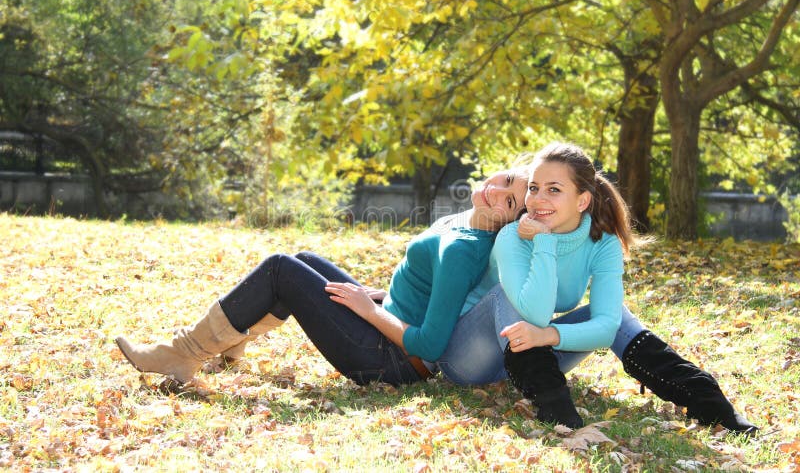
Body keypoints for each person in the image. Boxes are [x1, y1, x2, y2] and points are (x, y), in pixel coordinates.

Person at [434, 142, 758, 433]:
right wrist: (544, 243)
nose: (537, 199)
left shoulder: (602, 244)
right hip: (466, 360)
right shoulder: (513, 238)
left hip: (529, 359)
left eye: (554, 189)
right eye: (533, 188)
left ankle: (709, 401)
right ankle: (556, 407)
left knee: (614, 312)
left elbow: (605, 327)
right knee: (509, 294)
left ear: (582, 200)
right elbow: (535, 311)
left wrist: (549, 336)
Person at [114, 164, 530, 387]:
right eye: (507, 179)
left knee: (281, 269)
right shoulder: (465, 222)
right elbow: (432, 296)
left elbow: (433, 343)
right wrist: (381, 297)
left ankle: (182, 355)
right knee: (303, 259)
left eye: (509, 201)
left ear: (511, 222)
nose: (497, 191)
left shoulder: (464, 250)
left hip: (392, 362)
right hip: (387, 329)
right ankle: (231, 342)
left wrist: (368, 310)